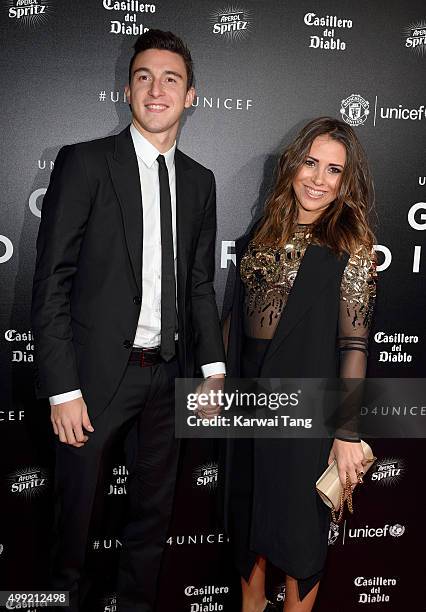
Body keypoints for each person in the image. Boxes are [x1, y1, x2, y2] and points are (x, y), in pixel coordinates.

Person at [31, 30, 225, 612]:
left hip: (168, 377)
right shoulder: (86, 162)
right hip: (92, 379)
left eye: (171, 78)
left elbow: (197, 284)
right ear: (128, 89)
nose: (156, 88)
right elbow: (52, 282)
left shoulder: (200, 181)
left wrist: (212, 369)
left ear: (192, 95)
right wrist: (63, 388)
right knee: (77, 518)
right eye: (144, 76)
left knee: (153, 514)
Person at [222, 117, 377, 612]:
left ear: (346, 182)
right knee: (250, 546)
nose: (318, 179)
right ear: (293, 166)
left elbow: (354, 346)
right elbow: (238, 325)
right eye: (310, 163)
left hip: (305, 421)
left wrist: (346, 432)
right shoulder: (262, 236)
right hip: (248, 411)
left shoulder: (350, 248)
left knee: (299, 552)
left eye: (334, 170)